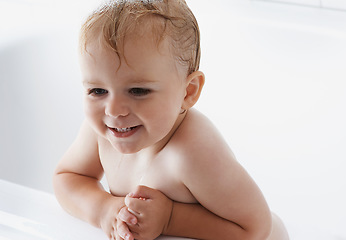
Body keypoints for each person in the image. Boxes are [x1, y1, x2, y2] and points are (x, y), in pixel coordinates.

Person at [53, 0, 289, 239]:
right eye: (97, 91)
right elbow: (67, 178)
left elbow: (255, 228)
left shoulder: (193, 152)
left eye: (138, 91)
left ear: (188, 92)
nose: (113, 110)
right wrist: (103, 209)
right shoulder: (102, 132)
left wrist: (170, 218)